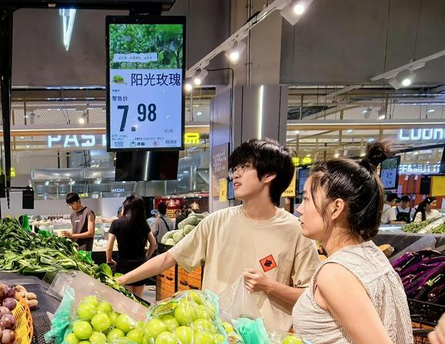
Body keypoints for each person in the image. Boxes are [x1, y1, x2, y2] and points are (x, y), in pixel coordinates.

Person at [117, 138, 319, 332]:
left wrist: (269, 286)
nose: (236, 175)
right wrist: (121, 281)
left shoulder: (296, 231)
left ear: (269, 175)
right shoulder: (217, 221)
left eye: (245, 167)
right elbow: (169, 258)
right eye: (235, 168)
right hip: (214, 338)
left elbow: (311, 298)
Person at [292, 141, 415, 344]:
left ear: (336, 208)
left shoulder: (336, 273)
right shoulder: (371, 255)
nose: (300, 208)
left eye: (306, 199)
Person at [107, 196, 157, 297]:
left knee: (127, 298)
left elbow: (109, 247)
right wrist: (146, 257)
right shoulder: (143, 224)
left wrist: (109, 259)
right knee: (138, 298)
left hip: (124, 266)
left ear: (126, 207)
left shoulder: (116, 223)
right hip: (141, 266)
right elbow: (153, 243)